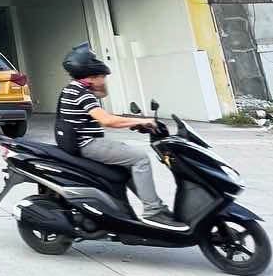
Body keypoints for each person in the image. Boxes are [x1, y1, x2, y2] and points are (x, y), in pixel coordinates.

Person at [55, 43, 188, 230]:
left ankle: (154, 207)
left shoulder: (73, 88)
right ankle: (153, 211)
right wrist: (142, 121)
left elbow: (103, 94)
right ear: (90, 76)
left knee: (128, 162)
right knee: (140, 158)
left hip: (82, 142)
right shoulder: (83, 94)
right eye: (102, 76)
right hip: (87, 144)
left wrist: (135, 123)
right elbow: (107, 120)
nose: (104, 80)